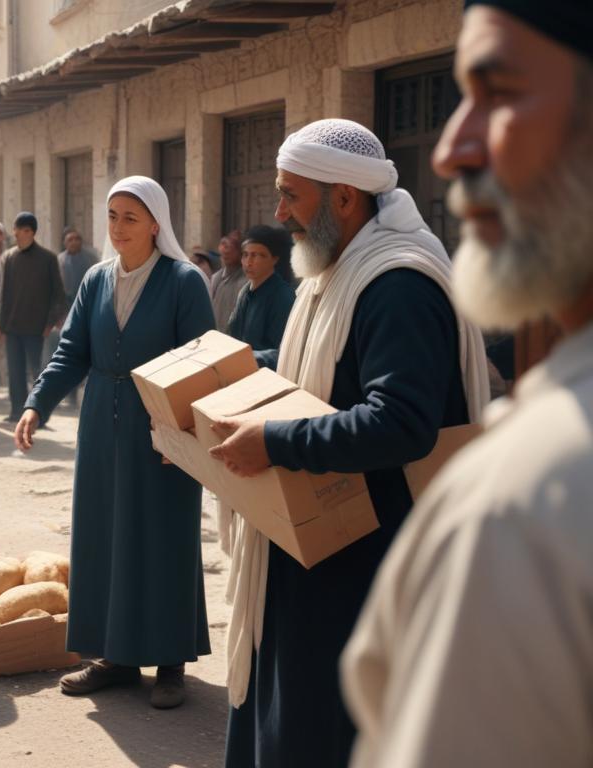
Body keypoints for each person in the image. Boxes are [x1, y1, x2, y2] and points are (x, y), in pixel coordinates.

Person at [343, 4, 593, 766]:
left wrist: (277, 436)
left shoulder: (527, 502)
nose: (451, 150)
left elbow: (399, 420)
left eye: (501, 92)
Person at [209, 118, 490, 768]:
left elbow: (400, 422)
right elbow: (319, 367)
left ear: (344, 197)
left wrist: (275, 443)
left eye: (291, 196)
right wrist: (228, 378)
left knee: (325, 735)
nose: (279, 215)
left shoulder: (398, 285)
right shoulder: (330, 273)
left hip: (360, 567)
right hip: (309, 548)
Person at [14, 176, 213, 709]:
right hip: (103, 422)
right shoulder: (96, 280)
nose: (119, 227)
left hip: (163, 430)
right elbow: (72, 350)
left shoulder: (183, 281)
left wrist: (183, 433)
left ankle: (170, 662)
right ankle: (115, 657)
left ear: (156, 223)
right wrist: (37, 403)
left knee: (162, 537)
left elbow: (201, 362)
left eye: (131, 217)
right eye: (113, 216)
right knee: (106, 536)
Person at [0, 212, 66, 423]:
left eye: (20, 230)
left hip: (37, 328)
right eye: (15, 230)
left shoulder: (48, 258)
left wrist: (50, 323)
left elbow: (58, 295)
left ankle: (39, 414)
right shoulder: (9, 258)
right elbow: (4, 294)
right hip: (12, 327)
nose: (16, 234)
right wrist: (1, 325)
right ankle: (16, 410)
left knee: (38, 373)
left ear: (30, 232)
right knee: (15, 373)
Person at [227, 225, 295, 353]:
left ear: (274, 259)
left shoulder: (283, 297)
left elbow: (281, 352)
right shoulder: (244, 292)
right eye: (245, 255)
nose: (248, 262)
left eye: (256, 255)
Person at [54, 226, 100, 405]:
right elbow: (57, 290)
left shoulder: (91, 259)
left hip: (88, 312)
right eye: (70, 240)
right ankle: (70, 393)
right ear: (65, 243)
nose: (74, 242)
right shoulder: (60, 260)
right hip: (67, 313)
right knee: (70, 355)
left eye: (77, 239)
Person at [209, 229, 246, 333]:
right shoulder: (216, 278)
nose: (226, 252)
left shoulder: (245, 282)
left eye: (233, 248)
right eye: (224, 246)